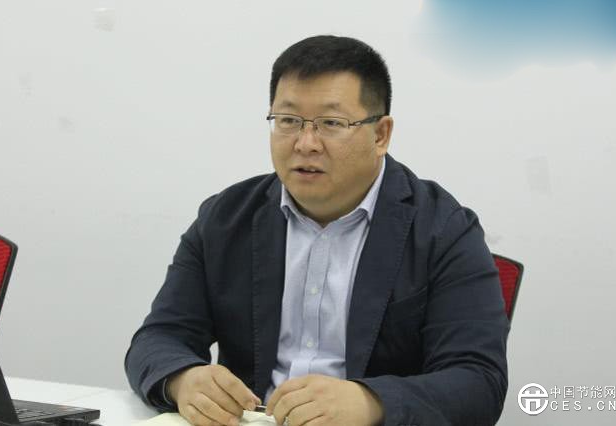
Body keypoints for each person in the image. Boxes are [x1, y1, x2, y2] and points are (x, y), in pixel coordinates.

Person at [125, 35, 509, 426]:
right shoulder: (225, 219)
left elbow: (478, 381)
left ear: (380, 134)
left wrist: (370, 402)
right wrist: (183, 378)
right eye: (288, 121)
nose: (305, 143)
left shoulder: (444, 230)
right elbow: (158, 338)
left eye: (331, 123)